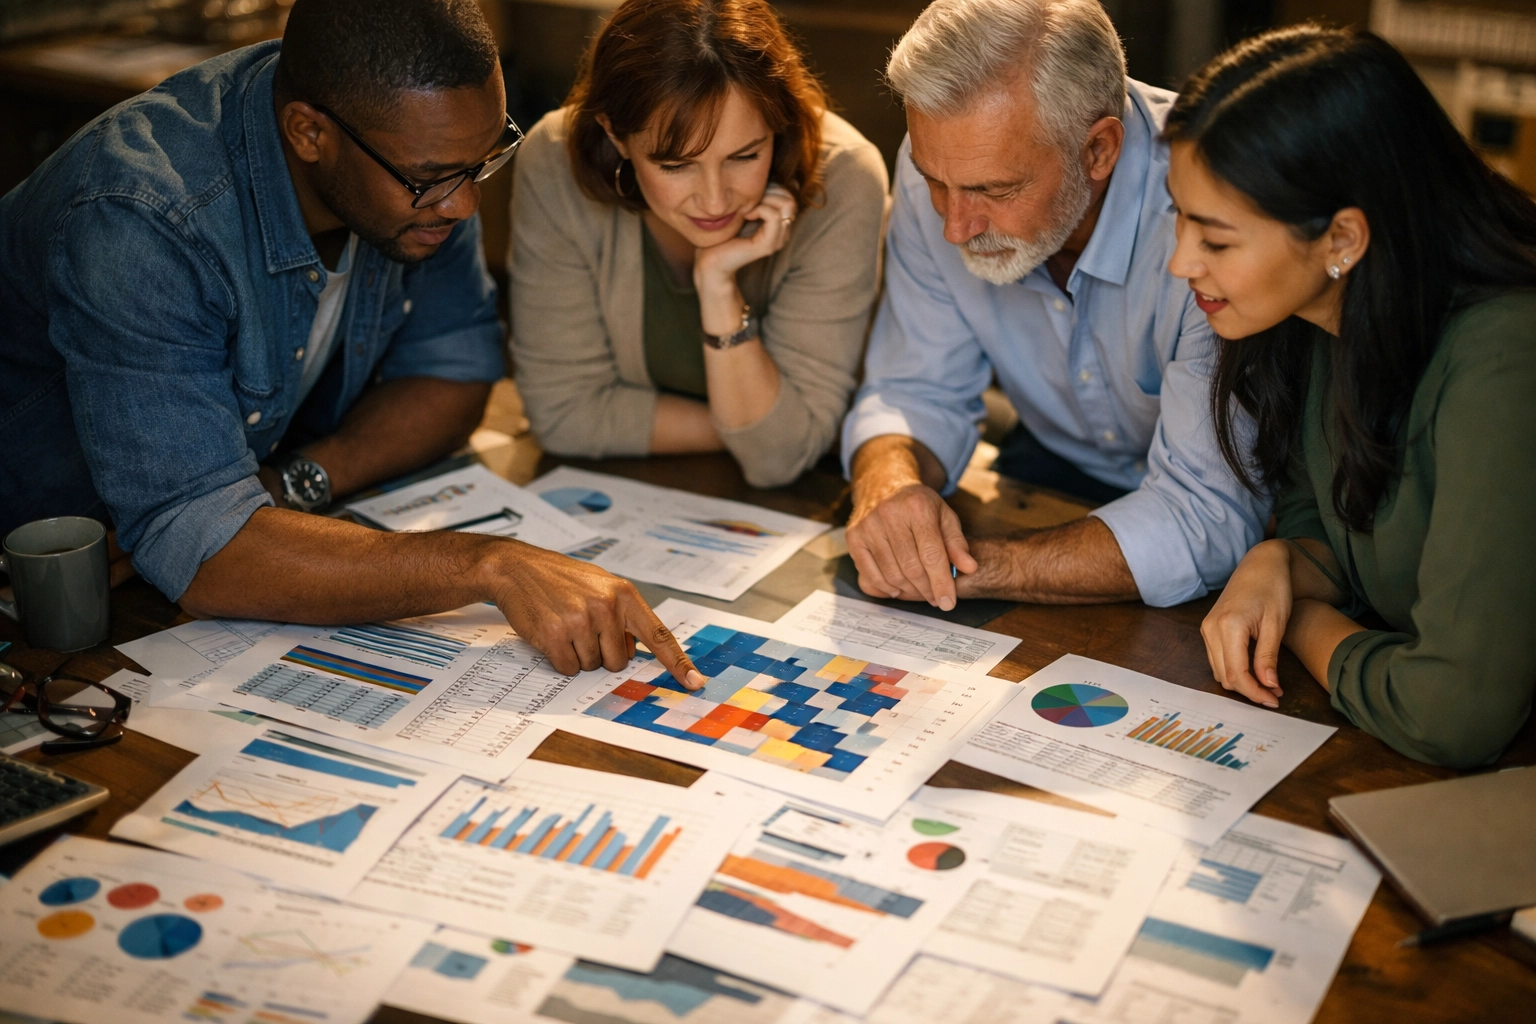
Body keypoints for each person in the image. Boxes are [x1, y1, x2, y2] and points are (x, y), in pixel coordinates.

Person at [0, 0, 704, 685]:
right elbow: (209, 554)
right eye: (430, 179)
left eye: (482, 162)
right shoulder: (144, 216)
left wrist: (293, 483)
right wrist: (488, 564)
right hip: (43, 594)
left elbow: (453, 374)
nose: (463, 205)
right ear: (309, 133)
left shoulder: (421, 155)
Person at [1169, 26, 1536, 767]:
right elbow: (1330, 518)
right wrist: (1282, 558)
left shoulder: (1505, 354)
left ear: (1342, 239)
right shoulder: (1317, 314)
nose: (1181, 262)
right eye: (1178, 217)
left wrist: (1304, 619)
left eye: (1217, 240)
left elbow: (1452, 713)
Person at [842, 0, 1267, 613]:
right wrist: (888, 487)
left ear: (1099, 150)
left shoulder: (1217, 211)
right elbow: (914, 389)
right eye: (934, 181)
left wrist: (962, 567)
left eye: (995, 190)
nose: (956, 227)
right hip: (1047, 469)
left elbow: (1204, 514)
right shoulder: (948, 158)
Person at [509, 0, 888, 489]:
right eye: (675, 165)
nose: (714, 200)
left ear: (779, 124)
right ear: (615, 135)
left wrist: (718, 287)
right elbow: (564, 415)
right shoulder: (555, 160)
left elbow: (779, 459)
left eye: (745, 156)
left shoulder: (845, 178)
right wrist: (756, 430)